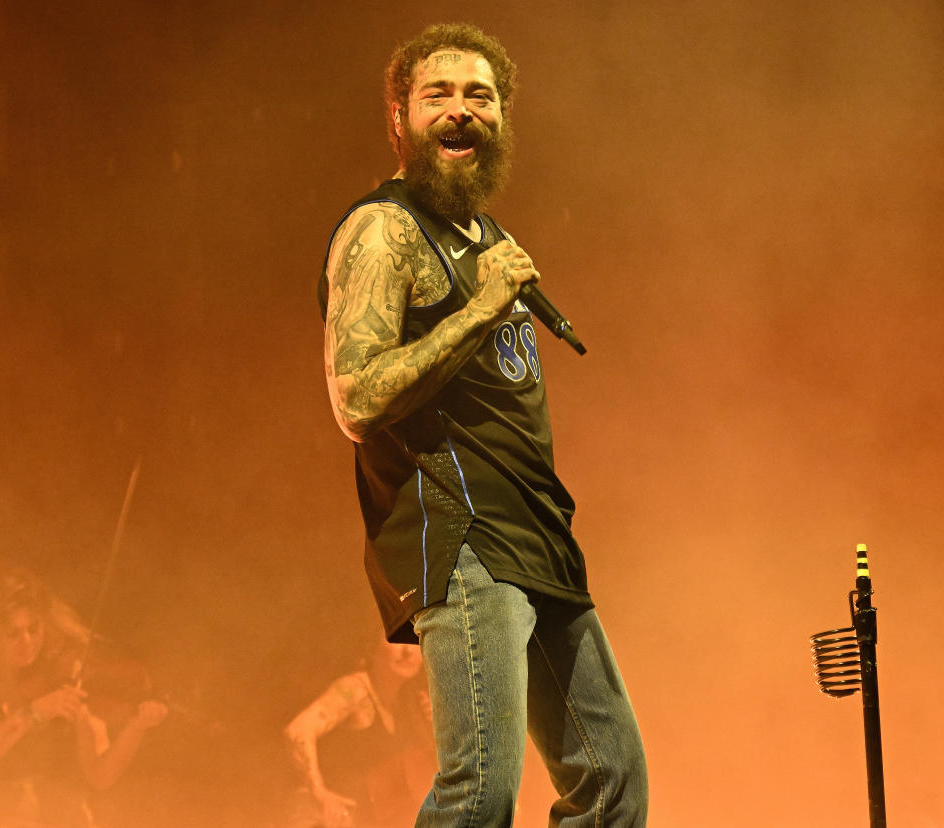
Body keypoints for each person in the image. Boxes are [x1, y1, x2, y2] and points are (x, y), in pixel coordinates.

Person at [319, 22, 648, 826]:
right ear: (399, 119)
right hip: (462, 533)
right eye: (439, 95)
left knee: (613, 783)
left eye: (480, 96)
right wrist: (480, 310)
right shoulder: (384, 229)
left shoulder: (490, 241)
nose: (461, 111)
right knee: (482, 787)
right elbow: (355, 398)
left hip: (537, 534)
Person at [0, 569, 168, 827]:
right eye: (13, 633)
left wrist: (136, 727)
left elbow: (99, 775)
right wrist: (32, 714)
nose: (26, 641)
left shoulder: (57, 677)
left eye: (33, 629)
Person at [283, 638, 436, 827]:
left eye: (414, 642)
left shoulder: (408, 702)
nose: (407, 651)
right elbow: (298, 731)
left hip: (361, 816)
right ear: (371, 648)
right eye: (396, 638)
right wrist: (321, 794)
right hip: (322, 816)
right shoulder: (354, 690)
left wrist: (434, 725)